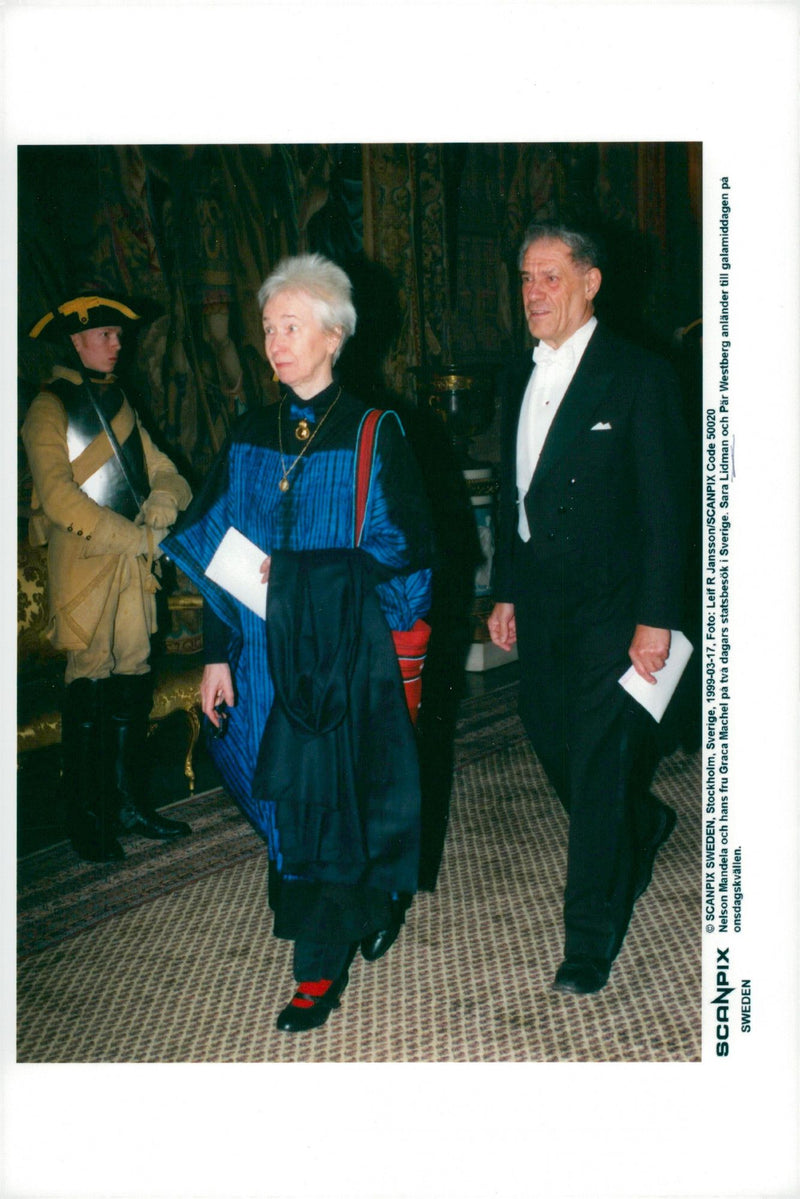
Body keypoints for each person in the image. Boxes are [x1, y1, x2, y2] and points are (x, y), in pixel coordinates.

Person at [163, 253, 434, 1032]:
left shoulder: (376, 431)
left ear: (333, 334)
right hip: (258, 655)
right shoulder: (250, 433)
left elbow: (407, 548)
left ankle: (315, 969)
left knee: (321, 804)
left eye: (290, 326)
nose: (274, 342)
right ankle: (376, 891)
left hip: (338, 658)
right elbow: (219, 544)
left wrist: (305, 576)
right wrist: (216, 653)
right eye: (268, 328)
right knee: (279, 795)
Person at [488, 222, 690, 995]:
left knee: (601, 768)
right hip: (542, 601)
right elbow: (516, 497)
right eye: (525, 279)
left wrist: (655, 616)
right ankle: (642, 825)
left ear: (591, 281)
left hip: (614, 604)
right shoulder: (519, 373)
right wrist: (505, 587)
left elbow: (667, 511)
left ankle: (589, 939)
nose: (533, 293)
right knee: (550, 735)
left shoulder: (639, 374)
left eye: (549, 276)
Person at [22, 293, 194, 863]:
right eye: (106, 336)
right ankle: (86, 818)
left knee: (132, 676)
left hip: (130, 566)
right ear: (76, 341)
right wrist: (137, 537)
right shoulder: (47, 406)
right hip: (87, 568)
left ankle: (127, 803)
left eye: (118, 336)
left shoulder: (120, 401)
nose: (117, 345)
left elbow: (167, 470)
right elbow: (57, 498)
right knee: (91, 680)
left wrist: (163, 507)